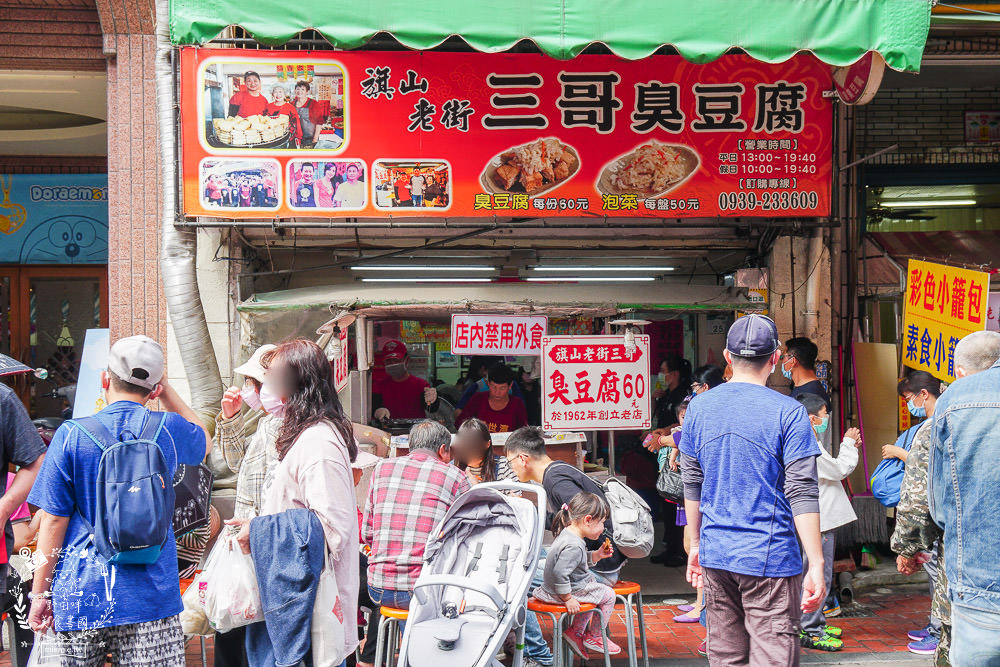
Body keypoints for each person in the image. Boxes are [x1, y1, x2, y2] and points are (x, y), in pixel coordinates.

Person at [27, 335, 212, 664]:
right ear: (153, 389)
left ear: (104, 378)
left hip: (80, 593)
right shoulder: (168, 428)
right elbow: (204, 439)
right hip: (152, 597)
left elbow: (53, 520)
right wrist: (166, 390)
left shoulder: (71, 434)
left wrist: (40, 592)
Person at [680, 314, 824, 665]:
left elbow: (691, 480)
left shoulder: (699, 407)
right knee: (773, 655)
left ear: (727, 358)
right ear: (775, 359)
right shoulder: (789, 412)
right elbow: (802, 490)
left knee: (726, 656)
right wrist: (816, 564)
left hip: (716, 553)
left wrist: (695, 544)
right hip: (769, 556)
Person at [226, 339, 360, 664]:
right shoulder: (307, 435)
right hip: (295, 599)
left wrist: (261, 531)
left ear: (295, 386)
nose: (264, 389)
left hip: (311, 609)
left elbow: (334, 531)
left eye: (271, 380)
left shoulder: (319, 444)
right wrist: (257, 528)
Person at [909, 331, 1000, 666]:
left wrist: (914, 544)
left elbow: (937, 502)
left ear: (959, 370)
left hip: (977, 581)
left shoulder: (955, 400)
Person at [359, 421, 470, 667]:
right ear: (444, 450)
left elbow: (367, 533)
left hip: (378, 589)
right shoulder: (456, 476)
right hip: (423, 591)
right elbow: (465, 540)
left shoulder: (382, 469)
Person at [211, 343, 279, 667]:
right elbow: (241, 462)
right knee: (236, 623)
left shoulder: (284, 425)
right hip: (250, 539)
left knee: (242, 628)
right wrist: (231, 417)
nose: (251, 389)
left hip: (257, 541)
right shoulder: (268, 424)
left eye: (257, 383)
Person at [795, 393, 861, 652]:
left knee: (813, 572)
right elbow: (837, 469)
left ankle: (814, 622)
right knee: (817, 572)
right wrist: (847, 443)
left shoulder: (806, 438)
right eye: (823, 415)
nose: (825, 420)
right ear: (812, 419)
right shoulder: (806, 441)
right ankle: (810, 628)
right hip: (817, 519)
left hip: (817, 516)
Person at [888, 370, 947, 657]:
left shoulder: (933, 426)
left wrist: (907, 546)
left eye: (911, 398)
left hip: (940, 518)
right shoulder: (960, 416)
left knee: (939, 574)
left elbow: (917, 490)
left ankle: (940, 633)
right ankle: (938, 628)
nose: (910, 405)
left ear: (925, 394)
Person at [533, 492, 621, 659]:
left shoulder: (570, 535)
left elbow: (576, 562)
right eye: (602, 522)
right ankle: (595, 636)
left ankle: (576, 632)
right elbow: (560, 573)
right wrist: (567, 598)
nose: (604, 528)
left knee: (593, 584)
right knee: (609, 595)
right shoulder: (574, 544)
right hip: (560, 593)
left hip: (562, 589)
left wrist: (596, 555)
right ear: (587, 520)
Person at [371, 340, 439, 421]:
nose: (392, 363)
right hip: (387, 431)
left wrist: (433, 401)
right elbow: (373, 407)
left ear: (407, 360)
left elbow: (431, 408)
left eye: (396, 360)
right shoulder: (378, 386)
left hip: (416, 430)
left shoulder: (421, 385)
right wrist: (377, 411)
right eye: (388, 361)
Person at [456, 363, 528, 433]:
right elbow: (459, 424)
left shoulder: (517, 404)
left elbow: (523, 432)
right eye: (494, 387)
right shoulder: (478, 399)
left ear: (510, 386)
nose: (497, 392)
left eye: (502, 388)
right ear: (488, 384)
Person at [452, 418, 519, 486]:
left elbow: (514, 495)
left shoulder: (504, 465)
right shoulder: (452, 468)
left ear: (487, 444)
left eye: (474, 447)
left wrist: (477, 487)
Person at [782, 337, 831, 407]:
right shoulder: (809, 389)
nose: (782, 361)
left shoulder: (809, 395)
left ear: (793, 361)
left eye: (782, 357)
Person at [652, 355, 691, 429]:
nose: (660, 375)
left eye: (663, 371)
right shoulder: (665, 393)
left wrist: (665, 431)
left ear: (675, 374)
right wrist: (653, 399)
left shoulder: (684, 395)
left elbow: (682, 423)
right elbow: (660, 416)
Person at [292, 80, 324, 147]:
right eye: (297, 89)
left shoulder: (313, 104)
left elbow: (319, 122)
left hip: (310, 139)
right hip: (295, 139)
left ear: (307, 91)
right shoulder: (292, 104)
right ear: (295, 90)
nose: (299, 91)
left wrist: (315, 139)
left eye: (303, 89)